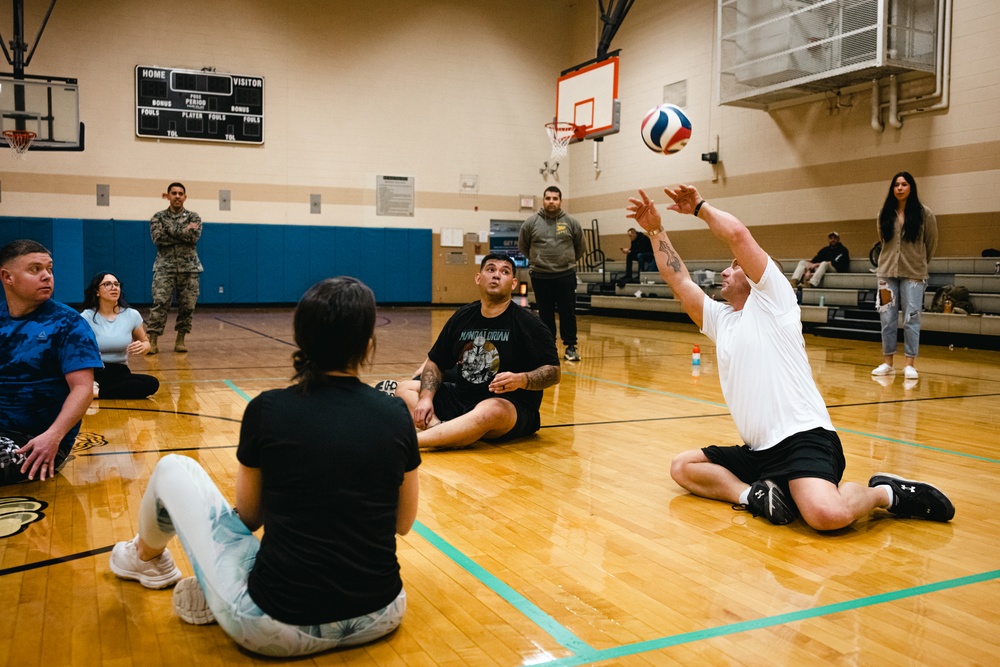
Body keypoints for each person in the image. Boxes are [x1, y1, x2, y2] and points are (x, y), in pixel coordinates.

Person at [109, 277, 420, 657]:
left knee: (173, 468)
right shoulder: (395, 414)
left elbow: (250, 518)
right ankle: (215, 589)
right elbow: (403, 524)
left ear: (301, 337)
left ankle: (144, 558)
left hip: (274, 628)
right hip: (383, 613)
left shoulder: (268, 410)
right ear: (368, 343)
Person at [625, 185, 954, 531]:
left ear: (754, 278)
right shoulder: (721, 320)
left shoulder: (775, 300)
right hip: (759, 451)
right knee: (682, 467)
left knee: (827, 516)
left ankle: (886, 493)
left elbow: (737, 234)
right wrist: (654, 229)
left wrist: (700, 208)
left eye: (734, 267)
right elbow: (678, 280)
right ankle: (754, 496)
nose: (724, 272)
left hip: (804, 437)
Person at [391, 253, 560, 450]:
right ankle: (443, 432)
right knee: (405, 388)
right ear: (478, 278)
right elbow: (435, 362)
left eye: (504, 272)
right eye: (490, 269)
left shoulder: (529, 323)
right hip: (462, 397)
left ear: (513, 283)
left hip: (509, 406)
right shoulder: (463, 316)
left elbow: (553, 372)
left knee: (491, 410)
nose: (496, 275)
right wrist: (426, 398)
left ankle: (413, 443)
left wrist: (522, 379)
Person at [1, 240, 102, 485]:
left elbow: (83, 388)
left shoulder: (68, 323)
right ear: (7, 277)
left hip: (39, 441)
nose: (46, 276)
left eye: (49, 269)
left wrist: (54, 436)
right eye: (35, 269)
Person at [871, 172, 937, 380]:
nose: (900, 188)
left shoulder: (924, 214)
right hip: (886, 275)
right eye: (896, 184)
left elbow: (931, 243)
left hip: (914, 275)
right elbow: (883, 241)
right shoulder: (884, 213)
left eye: (904, 184)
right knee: (887, 318)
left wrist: (920, 264)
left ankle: (910, 363)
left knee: (911, 318)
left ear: (911, 188)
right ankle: (887, 362)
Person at [518, 186, 585, 361]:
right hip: (541, 275)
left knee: (567, 311)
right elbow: (523, 246)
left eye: (555, 198)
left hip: (565, 274)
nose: (551, 202)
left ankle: (571, 347)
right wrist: (538, 260)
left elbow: (580, 247)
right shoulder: (531, 223)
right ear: (543, 200)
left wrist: (566, 261)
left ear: (560, 201)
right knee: (545, 313)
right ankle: (549, 348)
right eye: (548, 198)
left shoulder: (571, 223)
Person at [81, 272, 160, 399]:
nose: (114, 287)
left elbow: (146, 344)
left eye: (116, 284)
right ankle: (95, 387)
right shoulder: (86, 316)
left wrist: (143, 346)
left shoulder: (132, 315)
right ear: (97, 292)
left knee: (151, 383)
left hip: (120, 371)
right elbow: (75, 347)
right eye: (107, 284)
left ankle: (97, 393)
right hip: (94, 372)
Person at [147, 182, 203, 354]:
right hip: (165, 268)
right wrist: (182, 232)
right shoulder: (158, 217)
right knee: (160, 303)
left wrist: (170, 231)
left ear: (185, 197)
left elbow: (193, 237)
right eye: (174, 193)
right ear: (168, 196)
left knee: (187, 306)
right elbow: (158, 239)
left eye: (180, 193)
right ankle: (153, 340)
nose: (177, 196)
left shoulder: (194, 217)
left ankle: (180, 340)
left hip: (189, 268)